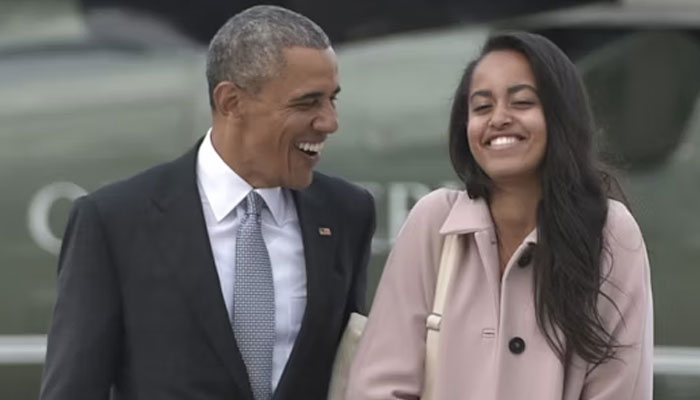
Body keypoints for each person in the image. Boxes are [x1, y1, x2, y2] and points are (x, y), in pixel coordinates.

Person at [40, 5, 375, 400]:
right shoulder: (115, 221)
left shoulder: (346, 212)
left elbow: (349, 374)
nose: (329, 122)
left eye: (332, 99)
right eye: (307, 103)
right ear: (231, 101)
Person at [345, 31, 652, 400]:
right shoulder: (433, 221)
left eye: (522, 103)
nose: (499, 119)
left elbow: (619, 387)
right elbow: (377, 387)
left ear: (560, 116)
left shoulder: (610, 230)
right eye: (481, 107)